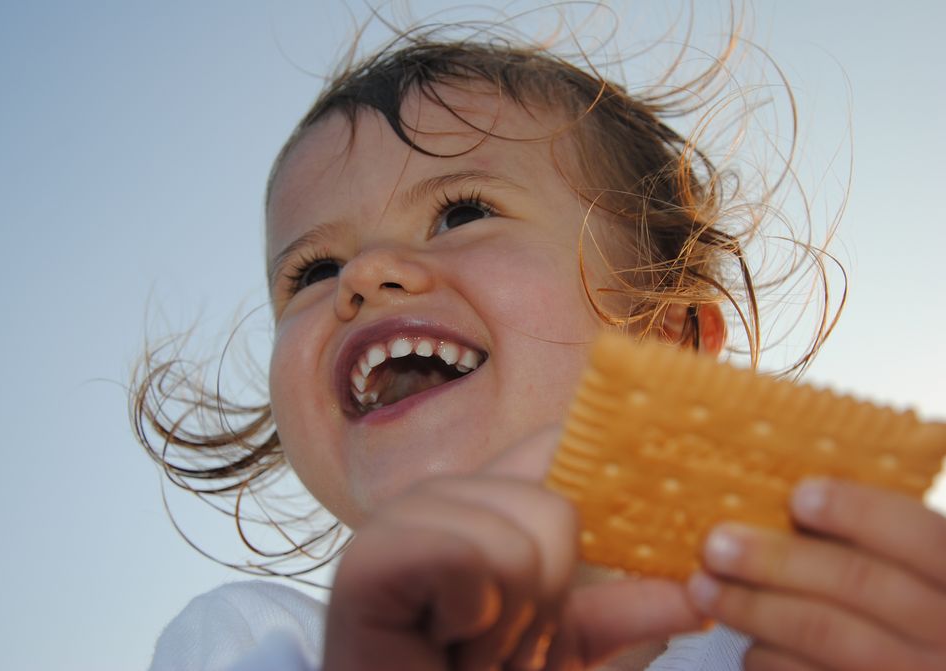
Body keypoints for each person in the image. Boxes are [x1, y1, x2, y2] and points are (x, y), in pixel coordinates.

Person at [134, 14, 946, 671]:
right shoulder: (259, 647)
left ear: (670, 339)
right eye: (312, 268)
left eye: (460, 213)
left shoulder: (831, 629)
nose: (367, 272)